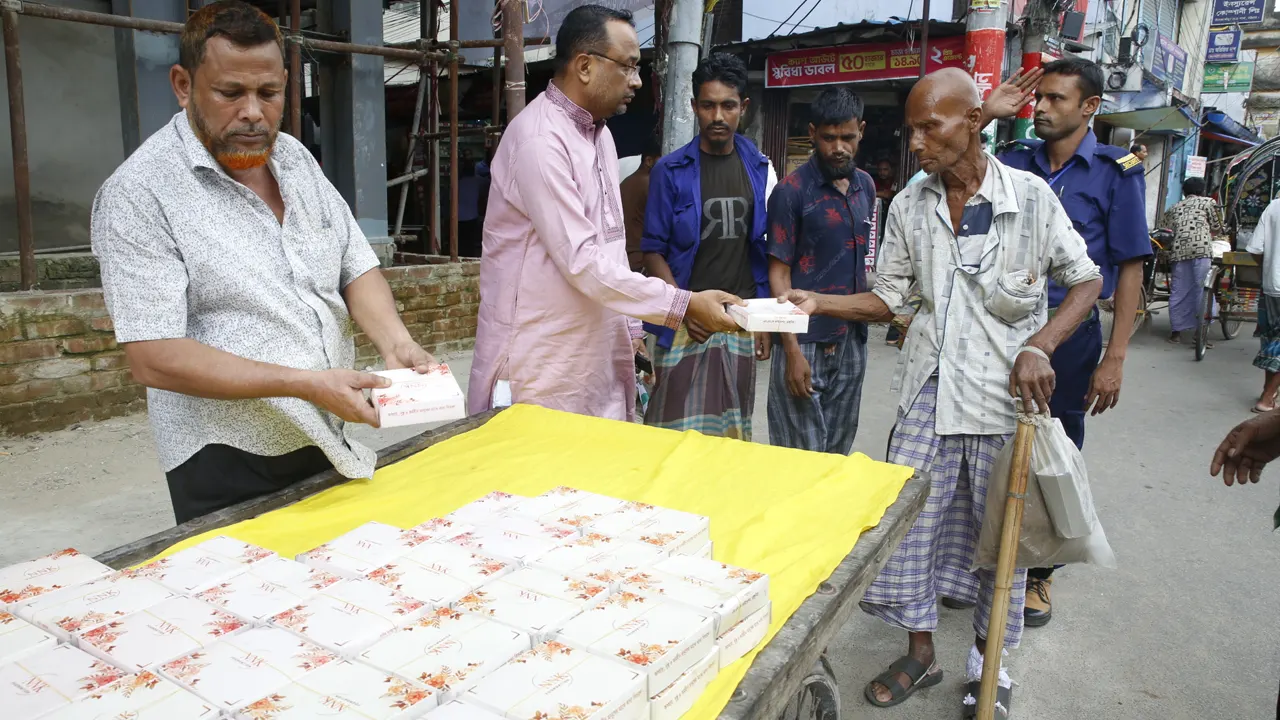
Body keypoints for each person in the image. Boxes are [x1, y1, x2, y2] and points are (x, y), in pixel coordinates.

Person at [783, 68, 1102, 714]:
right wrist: (820, 300)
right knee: (912, 534)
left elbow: (1086, 282)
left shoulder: (1032, 198)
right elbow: (891, 300)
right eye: (913, 130)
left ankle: (990, 666)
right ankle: (922, 652)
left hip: (1002, 399)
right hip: (929, 391)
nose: (918, 143)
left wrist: (1041, 345)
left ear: (974, 121)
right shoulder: (908, 205)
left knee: (1001, 540)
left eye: (932, 127)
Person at [89, 1, 437, 525]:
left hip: (327, 428)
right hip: (227, 456)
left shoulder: (294, 159)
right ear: (184, 86)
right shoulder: (139, 194)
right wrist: (302, 382)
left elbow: (354, 265)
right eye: (231, 93)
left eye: (269, 93)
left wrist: (396, 342)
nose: (253, 111)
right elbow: (154, 355)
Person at [468, 5, 741, 421]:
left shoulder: (601, 136)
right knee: (537, 482)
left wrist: (632, 330)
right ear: (584, 66)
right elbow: (583, 262)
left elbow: (610, 248)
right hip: (540, 364)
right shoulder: (540, 141)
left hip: (595, 355)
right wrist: (682, 305)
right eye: (629, 67)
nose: (635, 81)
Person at [985, 58, 1150, 627]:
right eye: (1040, 98)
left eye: (1057, 99)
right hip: (1001, 330)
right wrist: (985, 111)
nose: (1043, 108)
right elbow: (943, 168)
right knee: (987, 446)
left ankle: (1039, 576)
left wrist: (1116, 356)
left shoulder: (1116, 173)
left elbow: (1129, 268)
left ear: (1090, 107)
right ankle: (985, 560)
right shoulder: (1012, 159)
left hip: (1070, 339)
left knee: (1054, 455)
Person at [640, 53, 774, 440]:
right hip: (687, 323)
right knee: (670, 433)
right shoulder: (670, 170)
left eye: (728, 105)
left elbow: (759, 245)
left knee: (732, 434)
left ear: (742, 108)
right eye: (709, 104)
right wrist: (683, 308)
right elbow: (653, 250)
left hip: (738, 319)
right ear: (694, 106)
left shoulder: (756, 163)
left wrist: (761, 317)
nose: (718, 116)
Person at [766, 87, 875, 454]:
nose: (838, 147)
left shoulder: (866, 187)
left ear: (861, 130)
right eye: (829, 138)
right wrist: (792, 351)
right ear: (813, 133)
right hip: (805, 342)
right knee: (799, 456)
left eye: (847, 136)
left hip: (852, 341)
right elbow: (779, 275)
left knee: (837, 455)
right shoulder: (790, 192)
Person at [1165, 177, 1223, 346]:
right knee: (1202, 289)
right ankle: (1201, 332)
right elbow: (1217, 225)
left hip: (1178, 251)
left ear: (1184, 192)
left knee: (1179, 290)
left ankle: (1176, 333)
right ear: (1202, 191)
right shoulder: (1209, 202)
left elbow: (1167, 229)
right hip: (1202, 250)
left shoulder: (1174, 207)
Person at [1247, 199, 1280, 412]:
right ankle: (1267, 398)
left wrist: (1268, 268)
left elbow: (1255, 249)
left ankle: (1267, 391)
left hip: (1272, 284)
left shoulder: (1275, 206)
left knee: (1272, 338)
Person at [621, 135, 661, 272]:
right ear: (649, 161)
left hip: (625, 260)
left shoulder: (626, 182)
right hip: (642, 263)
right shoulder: (651, 184)